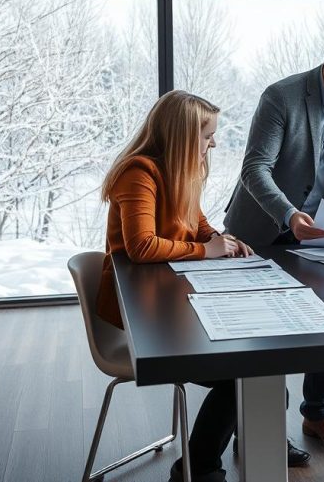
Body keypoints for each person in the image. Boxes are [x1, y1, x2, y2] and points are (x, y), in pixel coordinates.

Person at [223, 25, 324, 457]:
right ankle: (257, 426)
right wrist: (290, 215)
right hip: (262, 230)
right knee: (263, 334)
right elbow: (255, 169)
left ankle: (318, 415)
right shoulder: (282, 97)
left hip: (320, 234)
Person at [96, 91, 253, 482]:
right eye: (207, 135)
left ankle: (207, 460)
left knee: (253, 376)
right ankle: (198, 471)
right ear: (183, 136)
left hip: (170, 301)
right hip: (140, 315)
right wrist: (205, 250)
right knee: (245, 380)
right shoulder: (139, 173)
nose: (213, 143)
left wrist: (223, 241)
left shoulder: (182, 172)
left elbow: (197, 224)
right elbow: (141, 245)